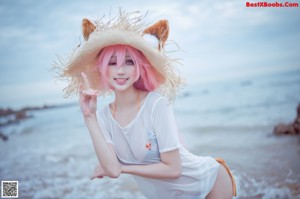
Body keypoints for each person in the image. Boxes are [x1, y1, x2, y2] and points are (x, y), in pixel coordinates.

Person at [55, 10, 237, 199]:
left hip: (209, 184)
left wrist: (124, 167)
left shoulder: (156, 104)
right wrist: (89, 117)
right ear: (103, 69)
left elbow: (173, 168)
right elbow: (112, 171)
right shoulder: (102, 117)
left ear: (139, 67)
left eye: (129, 61)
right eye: (112, 62)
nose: (120, 70)